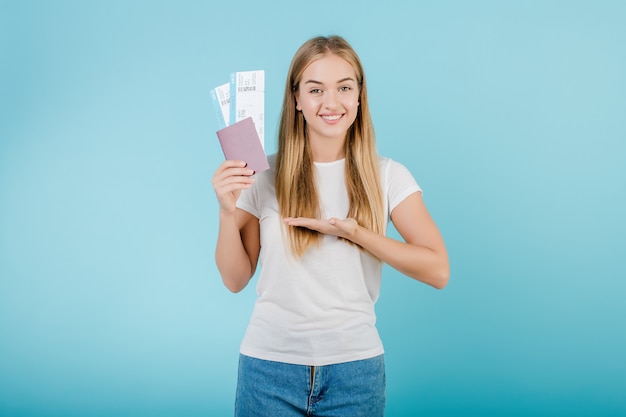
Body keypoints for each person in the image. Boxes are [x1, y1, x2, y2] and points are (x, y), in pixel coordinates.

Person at [212, 35, 449, 417]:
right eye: (315, 89)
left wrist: (355, 233)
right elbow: (235, 279)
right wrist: (226, 213)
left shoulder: (388, 175)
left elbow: (438, 270)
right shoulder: (262, 175)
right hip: (268, 370)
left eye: (344, 87)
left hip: (355, 373)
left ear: (359, 96)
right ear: (296, 100)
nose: (331, 102)